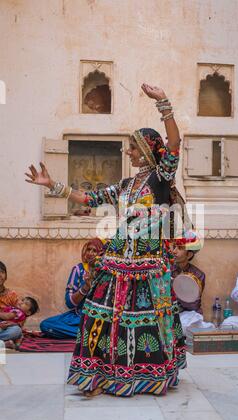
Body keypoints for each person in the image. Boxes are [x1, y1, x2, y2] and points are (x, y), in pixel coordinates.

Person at [25, 83, 186, 398]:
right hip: (117, 263)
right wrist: (53, 185)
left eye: (134, 148)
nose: (129, 152)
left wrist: (164, 103)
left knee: (146, 324)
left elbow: (176, 143)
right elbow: (89, 196)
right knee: (99, 316)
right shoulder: (126, 185)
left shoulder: (161, 177)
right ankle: (102, 375)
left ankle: (148, 377)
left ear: (149, 149)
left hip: (147, 266)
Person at [40, 239, 106, 339]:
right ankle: (89, 336)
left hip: (98, 318)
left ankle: (89, 334)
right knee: (45, 325)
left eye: (95, 251)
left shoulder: (107, 272)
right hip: (78, 317)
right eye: (88, 249)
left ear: (102, 254)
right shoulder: (78, 270)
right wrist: (85, 288)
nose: (90, 253)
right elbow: (69, 303)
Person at [170, 232, 214, 336]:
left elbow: (194, 305)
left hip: (187, 314)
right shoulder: (167, 270)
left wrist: (179, 288)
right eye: (174, 247)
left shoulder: (198, 275)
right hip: (169, 312)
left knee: (189, 324)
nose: (174, 251)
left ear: (189, 254)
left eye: (179, 248)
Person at [0, 261, 23, 347]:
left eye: (2, 272)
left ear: (6, 276)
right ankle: (4, 344)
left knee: (16, 331)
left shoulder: (12, 295)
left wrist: (13, 323)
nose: (0, 275)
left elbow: (20, 316)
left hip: (5, 328)